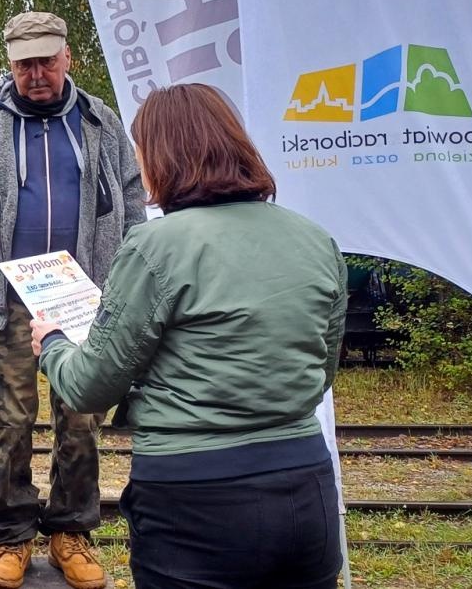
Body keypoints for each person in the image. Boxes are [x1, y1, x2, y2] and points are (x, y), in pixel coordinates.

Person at [32, 82, 347, 589]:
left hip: (193, 498)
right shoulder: (316, 240)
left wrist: (53, 345)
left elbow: (89, 386)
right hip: (305, 486)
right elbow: (321, 369)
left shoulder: (155, 246)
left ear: (162, 157)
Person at [0, 11, 145, 589]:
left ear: (67, 58)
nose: (36, 74)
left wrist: (127, 284)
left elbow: (132, 206)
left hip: (86, 301)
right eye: (24, 64)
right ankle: (12, 536)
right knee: (9, 421)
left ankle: (70, 533)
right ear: (10, 65)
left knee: (81, 421)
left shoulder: (101, 123)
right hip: (8, 300)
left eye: (46, 62)